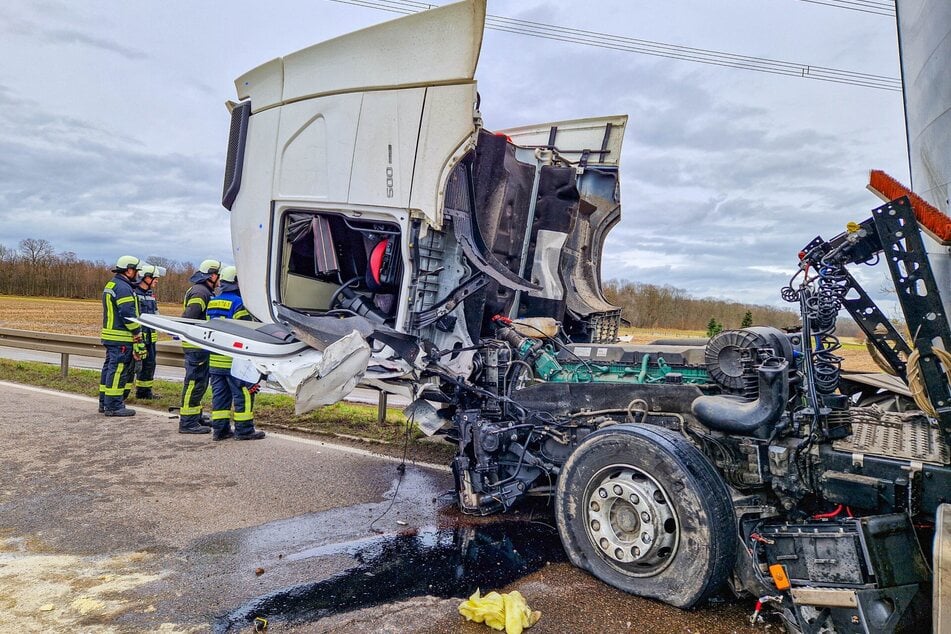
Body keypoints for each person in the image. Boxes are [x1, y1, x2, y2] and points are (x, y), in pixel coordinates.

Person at [206, 266, 265, 441]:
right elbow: (246, 332)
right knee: (244, 393)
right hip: (234, 360)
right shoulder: (240, 304)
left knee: (220, 396)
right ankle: (244, 430)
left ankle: (220, 430)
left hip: (216, 359)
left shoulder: (213, 301)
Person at [178, 259, 221, 434]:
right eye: (218, 274)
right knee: (194, 382)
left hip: (201, 344)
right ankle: (187, 422)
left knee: (201, 383)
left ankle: (195, 415)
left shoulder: (204, 291)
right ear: (212, 275)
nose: (220, 278)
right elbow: (190, 317)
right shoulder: (200, 293)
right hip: (196, 345)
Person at [99, 255, 144, 417]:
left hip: (111, 336)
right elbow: (127, 313)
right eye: (137, 271)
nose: (138, 274)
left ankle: (104, 402)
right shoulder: (123, 288)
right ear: (129, 270)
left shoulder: (112, 284)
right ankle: (114, 406)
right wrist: (137, 332)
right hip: (121, 338)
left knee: (109, 369)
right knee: (118, 371)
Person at [132, 263, 164, 399]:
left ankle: (144, 392)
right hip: (138, 337)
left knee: (150, 365)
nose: (156, 281)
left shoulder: (151, 295)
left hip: (151, 337)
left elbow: (156, 314)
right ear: (145, 278)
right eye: (155, 278)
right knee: (135, 366)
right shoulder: (134, 293)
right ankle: (123, 393)